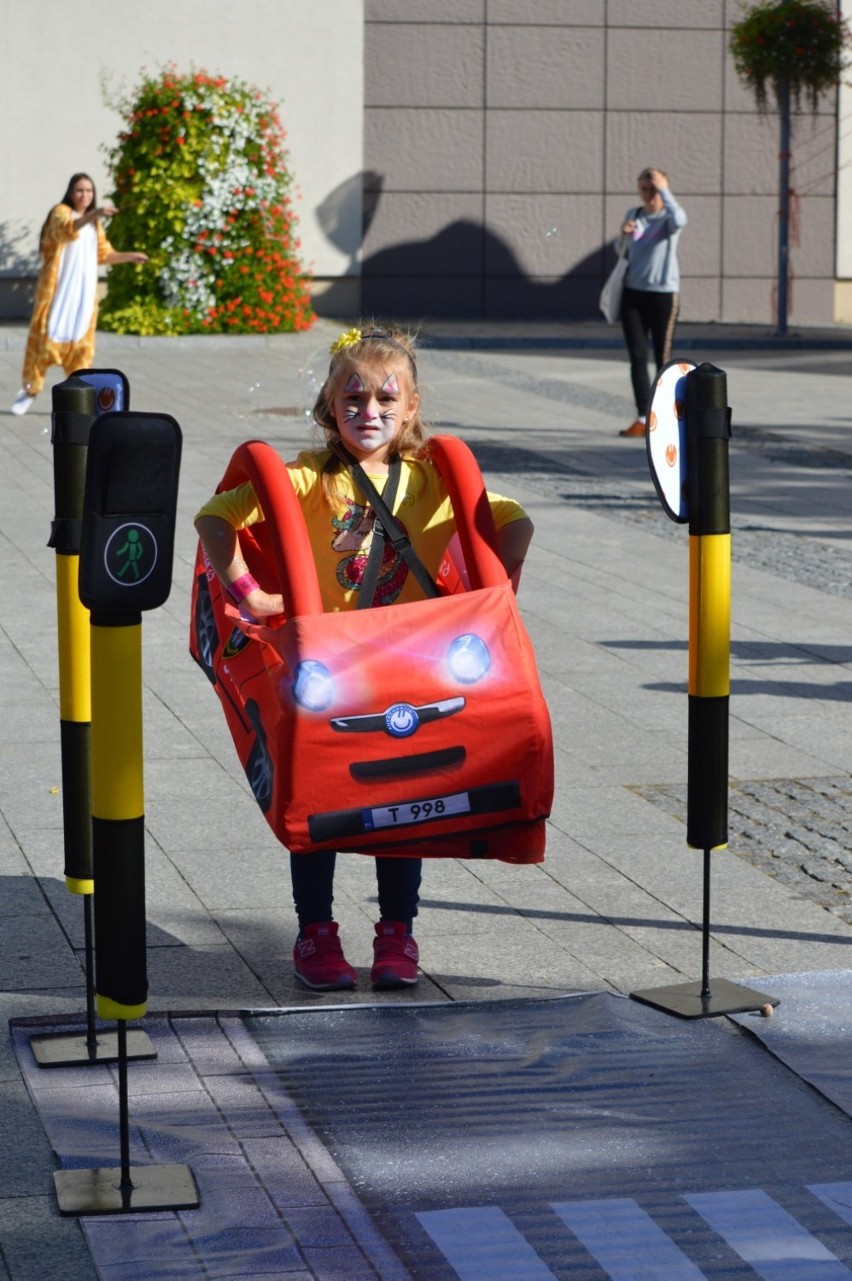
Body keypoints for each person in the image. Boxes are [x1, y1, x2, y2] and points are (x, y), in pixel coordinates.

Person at [194, 325, 534, 992]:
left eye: (385, 397)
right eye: (352, 398)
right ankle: (315, 931)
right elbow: (214, 519)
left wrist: (494, 601)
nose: (368, 410)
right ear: (329, 406)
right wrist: (253, 595)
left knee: (402, 802)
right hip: (328, 664)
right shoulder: (307, 477)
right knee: (316, 798)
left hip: (406, 664)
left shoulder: (433, 478)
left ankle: (396, 933)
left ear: (411, 406)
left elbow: (514, 520)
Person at [10, 173, 148, 415]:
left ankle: (80, 400)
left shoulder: (94, 224)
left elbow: (104, 254)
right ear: (71, 193)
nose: (85, 195)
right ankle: (30, 391)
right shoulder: (61, 212)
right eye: (80, 190)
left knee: (81, 353)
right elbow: (66, 230)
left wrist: (130, 256)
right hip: (57, 293)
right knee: (41, 345)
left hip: (82, 298)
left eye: (89, 191)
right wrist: (94, 214)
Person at [617, 167, 687, 437]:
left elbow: (681, 219)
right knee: (637, 356)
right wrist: (623, 234)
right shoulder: (634, 215)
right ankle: (643, 417)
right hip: (633, 293)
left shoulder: (669, 218)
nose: (649, 195)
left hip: (663, 295)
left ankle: (669, 416)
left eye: (654, 189)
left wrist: (665, 189)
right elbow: (623, 253)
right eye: (645, 189)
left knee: (663, 357)